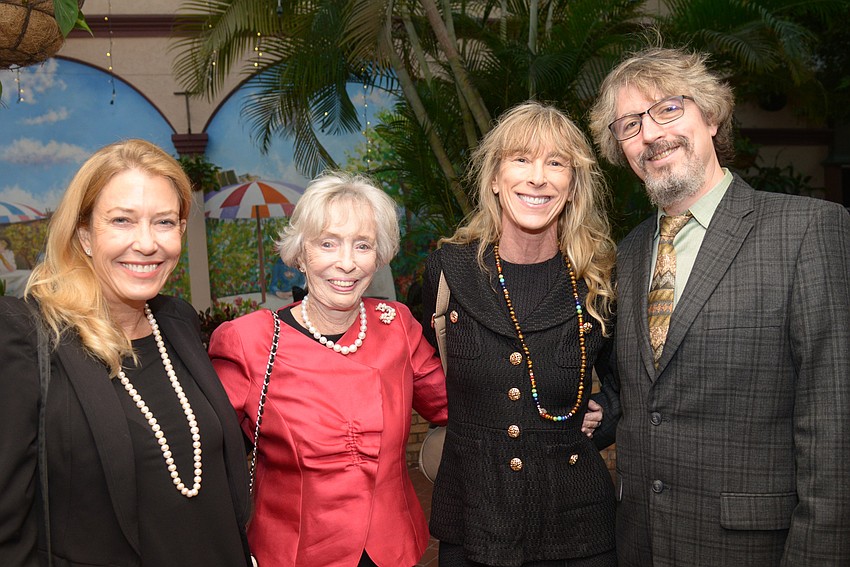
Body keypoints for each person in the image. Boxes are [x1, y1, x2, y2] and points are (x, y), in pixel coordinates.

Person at [589, 46, 850, 566]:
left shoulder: (807, 230)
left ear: (710, 116)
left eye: (668, 109)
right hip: (640, 542)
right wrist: (589, 415)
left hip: (754, 548)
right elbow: (637, 391)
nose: (652, 134)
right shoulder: (628, 253)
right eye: (630, 125)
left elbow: (834, 423)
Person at [0, 139, 253, 566]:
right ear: (84, 234)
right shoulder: (26, 336)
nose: (147, 244)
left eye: (164, 222)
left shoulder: (178, 323)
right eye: (122, 220)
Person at [208, 171, 449, 567]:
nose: (346, 263)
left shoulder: (398, 326)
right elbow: (204, 453)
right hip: (295, 553)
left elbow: (455, 405)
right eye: (328, 243)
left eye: (363, 245)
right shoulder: (249, 341)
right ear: (301, 253)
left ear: (379, 256)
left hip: (391, 549)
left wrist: (562, 404)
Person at [420, 101, 619, 567]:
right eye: (521, 159)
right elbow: (420, 369)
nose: (538, 178)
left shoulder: (599, 281)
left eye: (556, 163)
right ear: (494, 178)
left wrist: (600, 415)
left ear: (572, 186)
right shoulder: (447, 272)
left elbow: (631, 382)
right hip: (474, 522)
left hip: (578, 528)